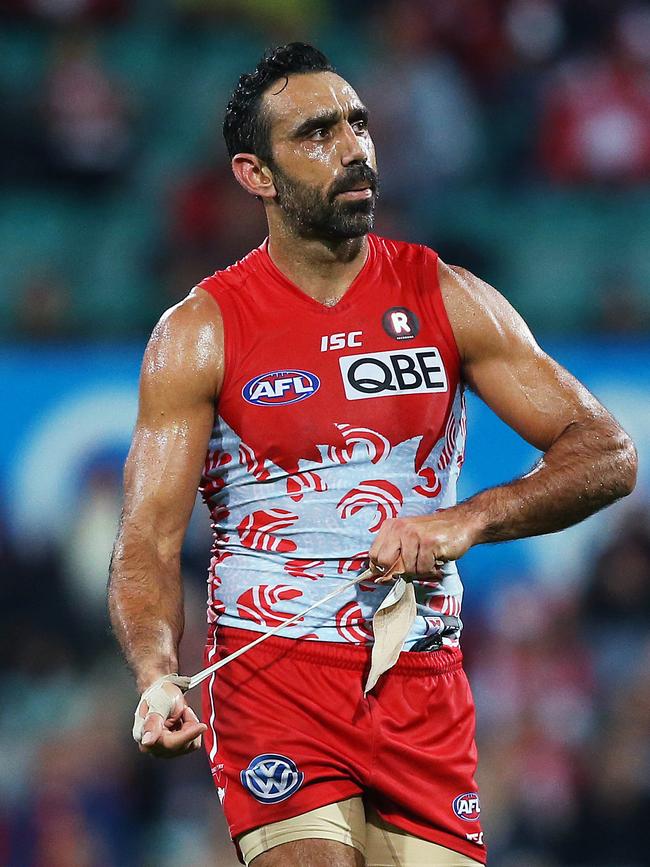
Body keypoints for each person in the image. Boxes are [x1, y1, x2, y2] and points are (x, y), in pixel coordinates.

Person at [108, 43, 638, 867]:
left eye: (358, 123)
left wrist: (467, 520)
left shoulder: (447, 295)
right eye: (317, 133)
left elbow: (608, 451)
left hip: (422, 676)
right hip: (273, 675)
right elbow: (143, 541)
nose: (354, 148)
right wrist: (154, 675)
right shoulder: (200, 331)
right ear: (256, 174)